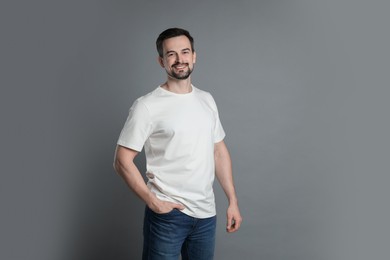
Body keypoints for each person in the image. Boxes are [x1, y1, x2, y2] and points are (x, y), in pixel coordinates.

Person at [113, 27, 242, 260]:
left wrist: (232, 201)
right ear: (161, 61)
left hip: (205, 215)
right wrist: (153, 202)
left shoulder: (207, 99)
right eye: (171, 54)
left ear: (194, 56)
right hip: (168, 218)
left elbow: (219, 151)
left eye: (185, 52)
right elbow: (122, 161)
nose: (180, 59)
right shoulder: (147, 106)